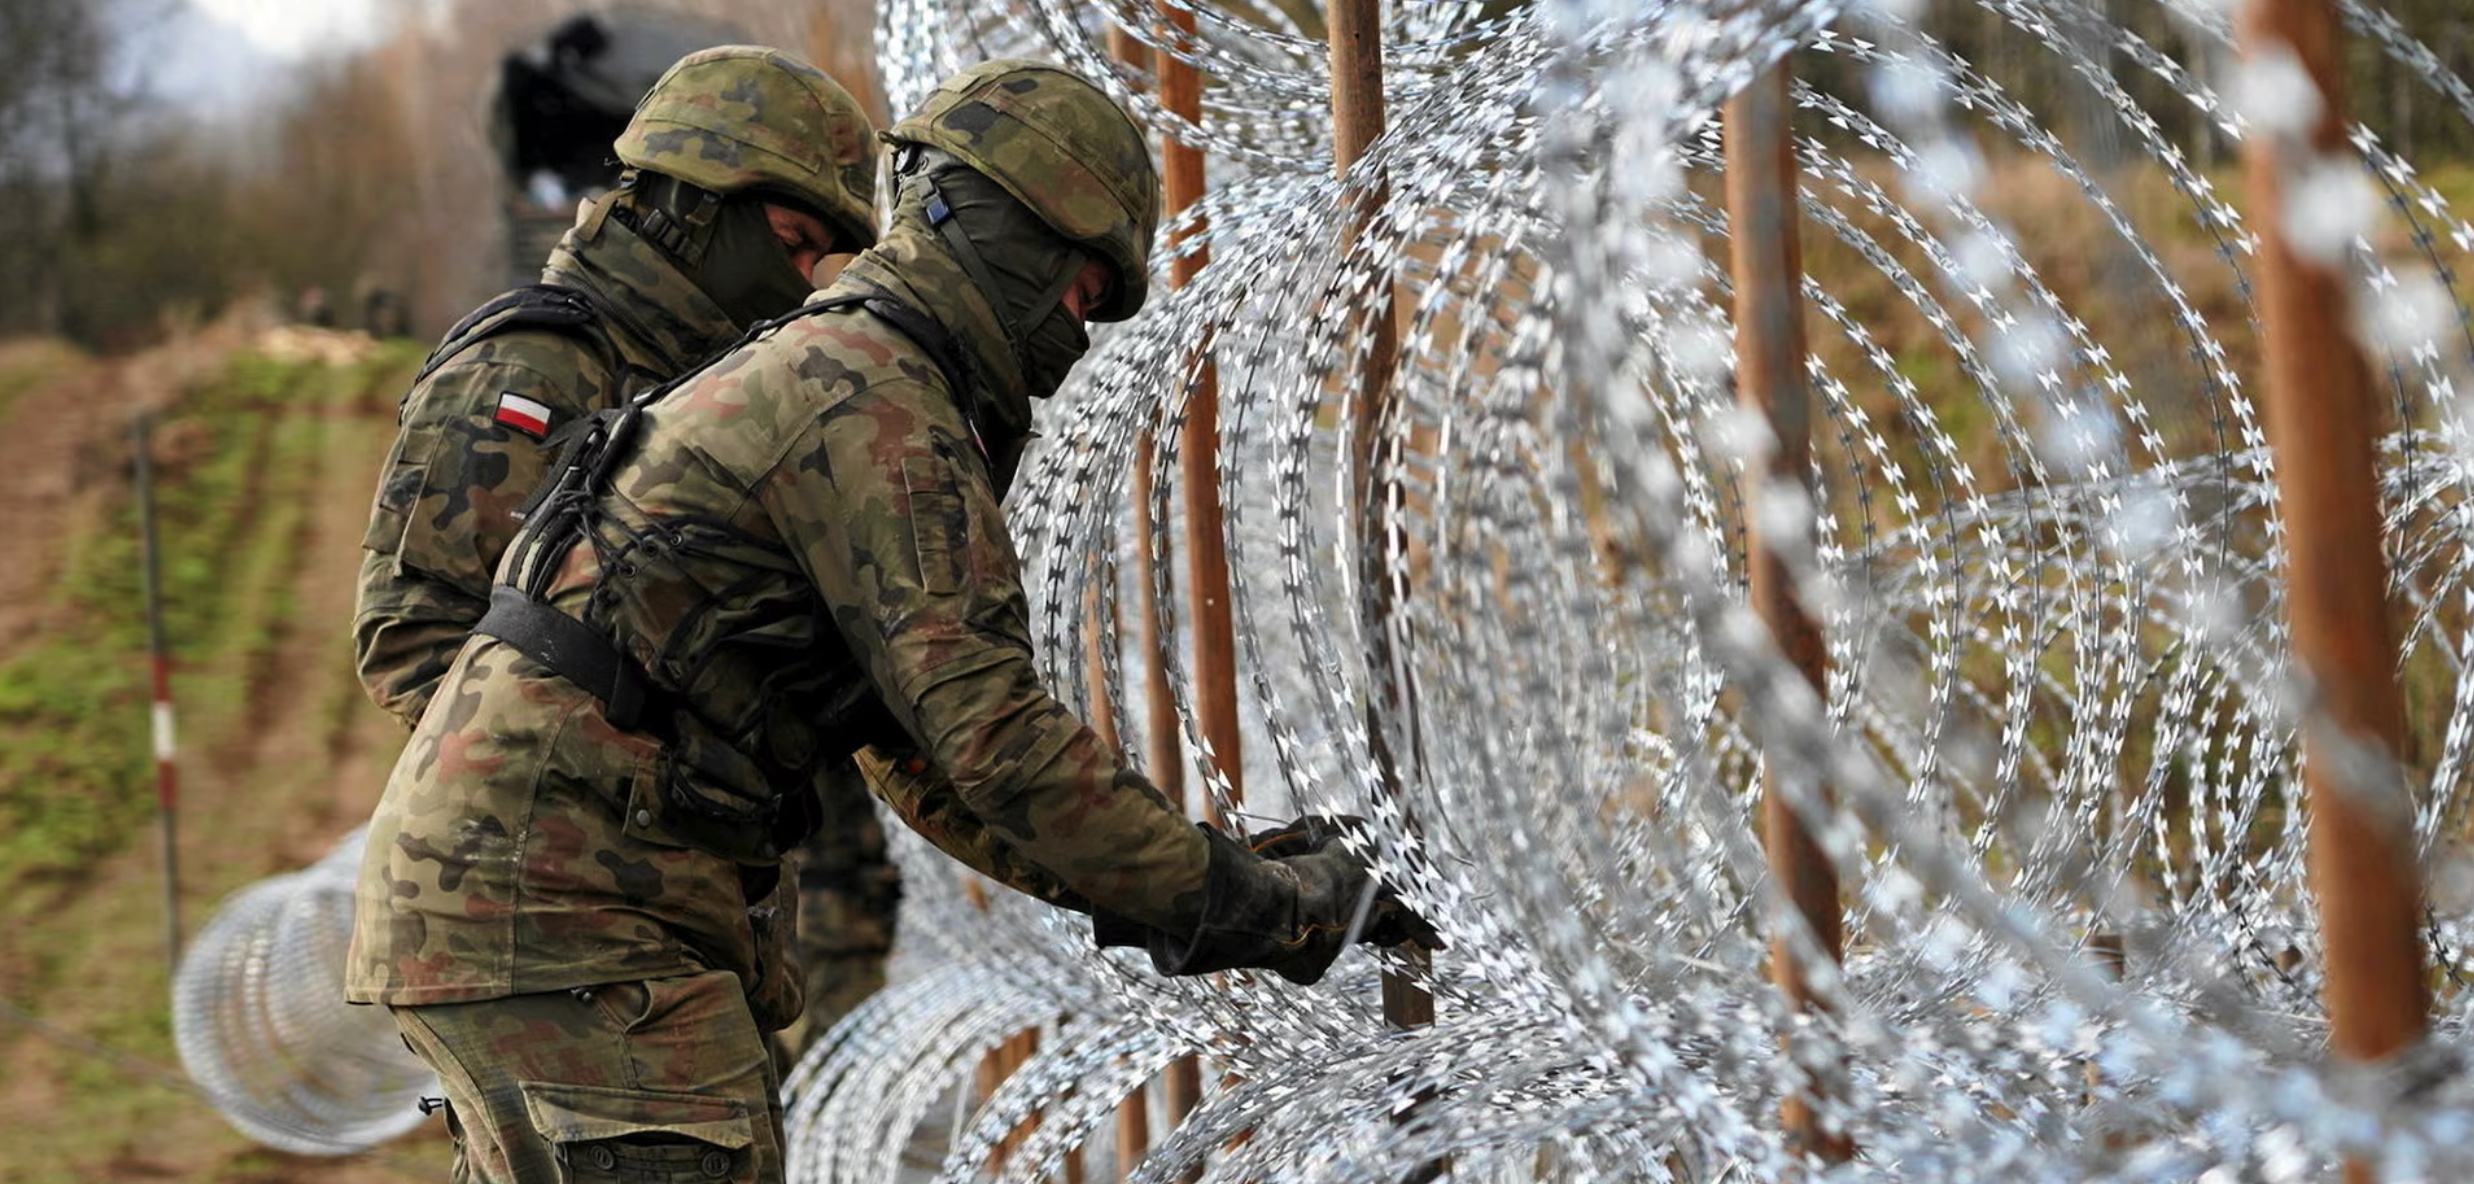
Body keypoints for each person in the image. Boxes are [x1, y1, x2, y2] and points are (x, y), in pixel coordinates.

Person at [348, 58, 1436, 1183]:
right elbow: (997, 745)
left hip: (551, 915)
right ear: (1001, 233)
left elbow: (932, 763)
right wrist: (1264, 906)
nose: (1078, 338)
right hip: (580, 922)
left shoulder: (854, 372)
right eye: (1077, 289)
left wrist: (1221, 877)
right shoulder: (879, 405)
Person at [348, 43, 900, 1083]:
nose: (801, 279)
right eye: (789, 240)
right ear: (697, 206)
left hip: (682, 930)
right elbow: (413, 636)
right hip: (561, 936)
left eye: (821, 257)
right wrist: (623, 800)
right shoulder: (535, 370)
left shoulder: (713, 395)